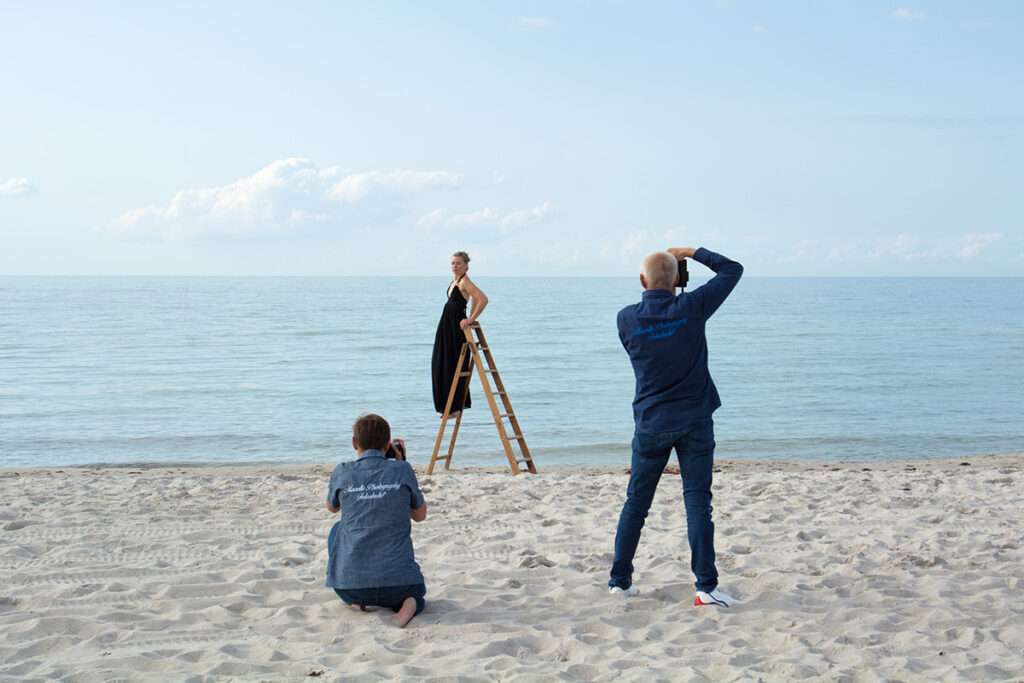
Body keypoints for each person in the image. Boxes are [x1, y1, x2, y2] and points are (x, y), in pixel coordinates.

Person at [608, 246, 743, 607]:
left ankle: (620, 581)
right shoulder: (692, 307)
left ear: (641, 281)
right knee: (698, 502)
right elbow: (732, 270)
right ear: (679, 281)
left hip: (651, 421)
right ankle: (706, 587)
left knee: (636, 502)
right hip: (695, 420)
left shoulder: (626, 319)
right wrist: (691, 252)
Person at [325, 413, 428, 627]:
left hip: (349, 588)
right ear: (389, 444)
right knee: (416, 593)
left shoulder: (343, 471)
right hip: (400, 585)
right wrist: (401, 465)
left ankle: (360, 602)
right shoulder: (402, 469)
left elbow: (331, 507)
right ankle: (409, 604)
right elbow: (420, 515)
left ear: (354, 442)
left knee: (337, 529)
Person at [431, 251, 489, 416]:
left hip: (456, 329)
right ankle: (448, 406)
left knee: (452, 364)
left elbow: (482, 299)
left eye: (458, 263)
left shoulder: (465, 282)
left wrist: (470, 318)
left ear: (466, 266)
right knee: (440, 363)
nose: (454, 266)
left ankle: (455, 407)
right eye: (453, 263)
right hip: (446, 327)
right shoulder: (454, 281)